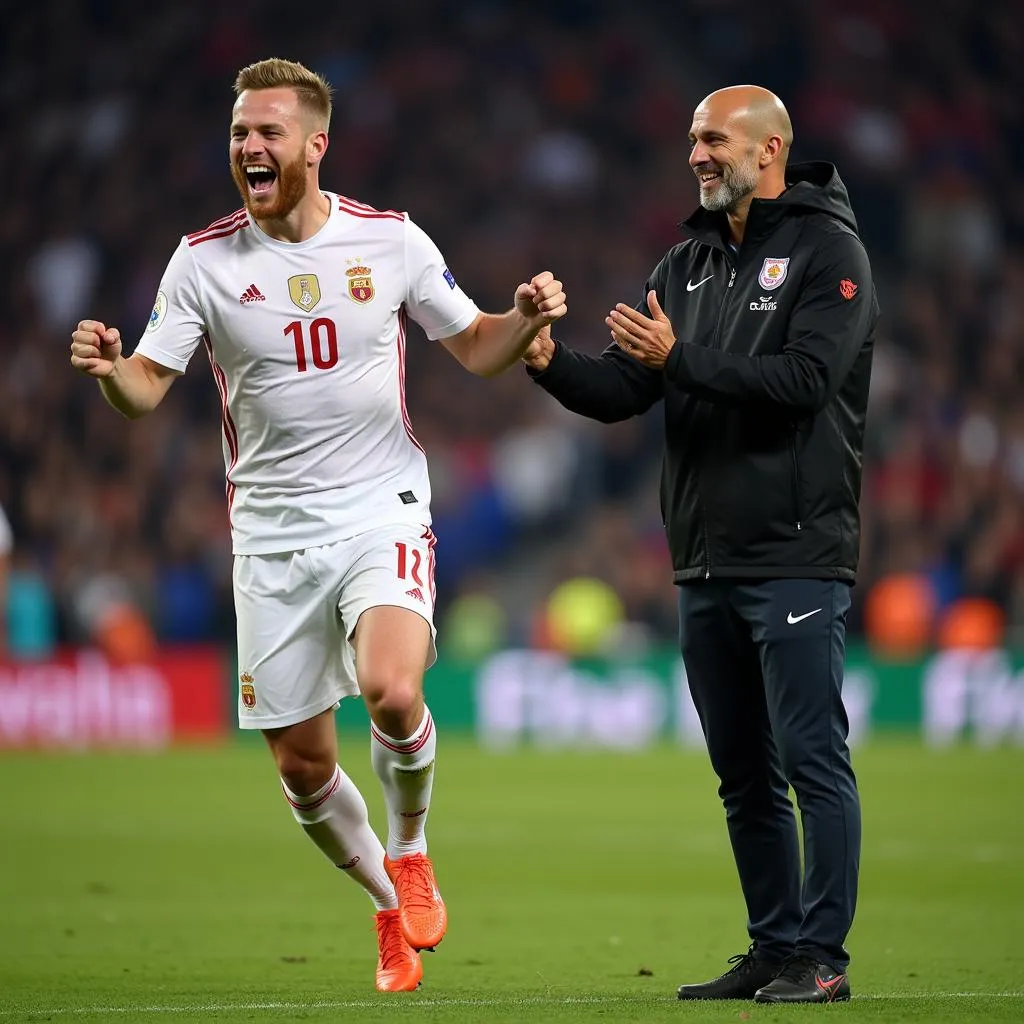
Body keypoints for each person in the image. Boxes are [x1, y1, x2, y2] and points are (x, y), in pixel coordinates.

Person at [70, 57, 566, 993]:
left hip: (381, 506)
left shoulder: (393, 242)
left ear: (314, 144)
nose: (249, 148)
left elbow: (476, 346)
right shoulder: (202, 261)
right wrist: (109, 372)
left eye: (267, 133)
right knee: (303, 771)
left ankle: (411, 848)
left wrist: (523, 315)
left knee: (390, 689)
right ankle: (386, 901)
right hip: (267, 537)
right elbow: (146, 386)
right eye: (238, 135)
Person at [522, 85, 877, 1004]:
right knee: (742, 775)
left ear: (770, 151)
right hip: (705, 560)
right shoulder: (684, 262)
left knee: (811, 759)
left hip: (795, 550)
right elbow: (626, 392)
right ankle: (771, 946)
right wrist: (546, 360)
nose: (695, 154)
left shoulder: (829, 252)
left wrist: (679, 360)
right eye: (690, 139)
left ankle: (822, 957)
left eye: (712, 139)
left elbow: (803, 382)